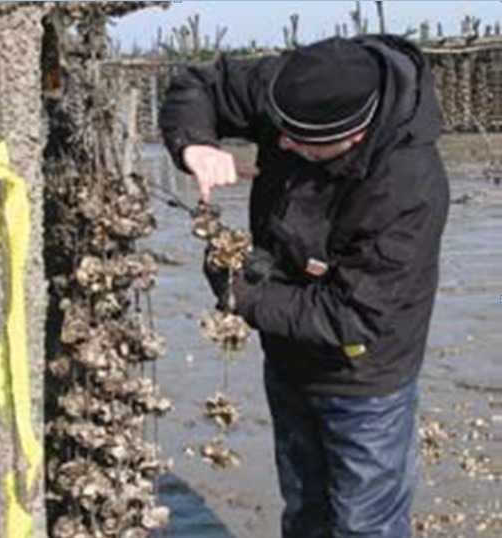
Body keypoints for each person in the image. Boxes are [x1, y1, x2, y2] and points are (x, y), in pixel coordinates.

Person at [159, 35, 450, 538]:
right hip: (287, 358)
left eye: (298, 142)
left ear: (354, 136)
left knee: (365, 524)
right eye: (279, 131)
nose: (281, 144)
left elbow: (355, 316)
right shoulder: (292, 87)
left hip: (365, 378)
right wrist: (197, 144)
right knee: (305, 511)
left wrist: (244, 295)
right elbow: (197, 84)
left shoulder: (409, 189)